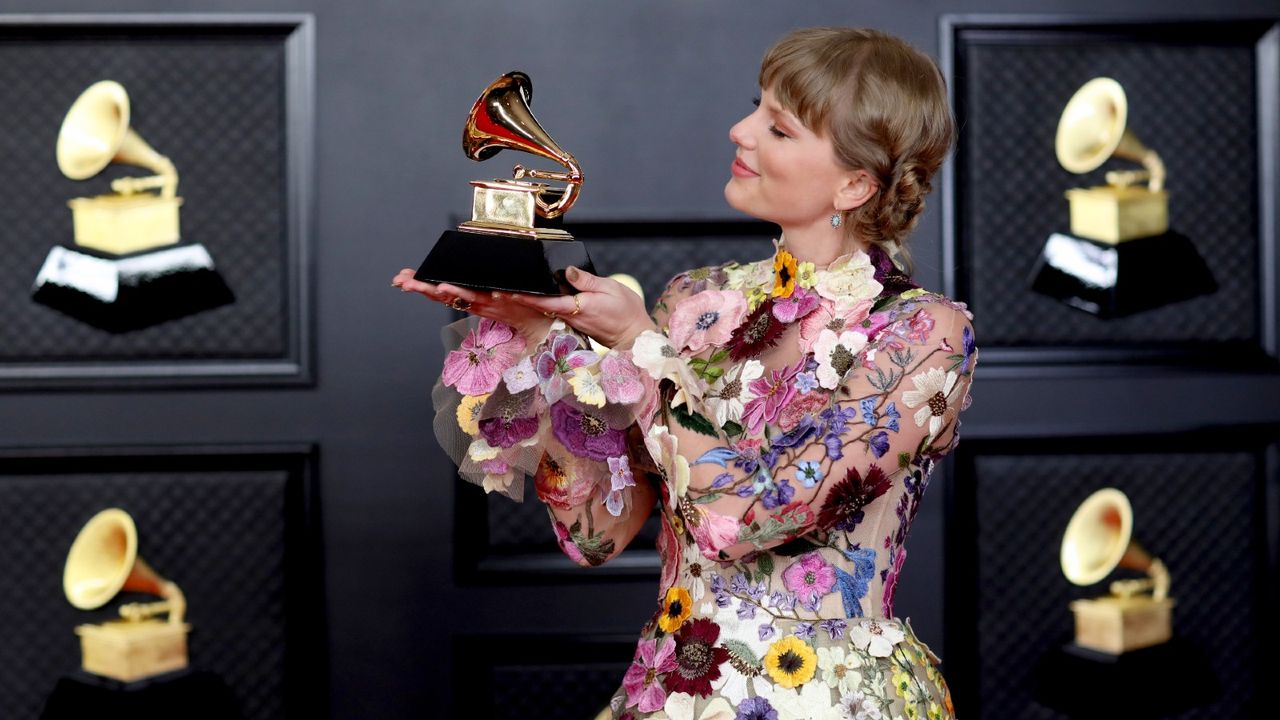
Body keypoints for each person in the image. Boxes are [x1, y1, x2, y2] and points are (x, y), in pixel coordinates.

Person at [395, 26, 977, 720]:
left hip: (833, 699)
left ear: (854, 182)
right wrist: (534, 343)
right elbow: (595, 536)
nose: (740, 131)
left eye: (779, 128)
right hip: (673, 693)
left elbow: (743, 519)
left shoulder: (924, 333)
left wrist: (641, 350)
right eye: (753, 108)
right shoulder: (694, 304)